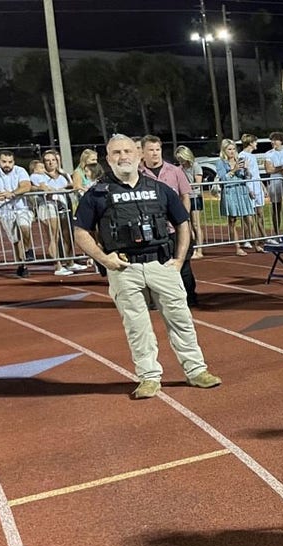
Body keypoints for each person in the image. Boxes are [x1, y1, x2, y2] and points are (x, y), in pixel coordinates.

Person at [71, 134, 221, 399]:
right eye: (116, 153)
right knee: (137, 328)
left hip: (161, 265)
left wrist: (179, 259)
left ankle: (196, 371)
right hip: (124, 270)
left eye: (128, 151)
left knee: (181, 321)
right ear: (108, 159)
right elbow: (81, 232)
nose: (123, 157)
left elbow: (183, 223)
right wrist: (105, 260)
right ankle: (149, 377)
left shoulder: (159, 188)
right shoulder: (97, 193)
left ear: (138, 155)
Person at [140, 136, 198, 307]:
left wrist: (184, 220)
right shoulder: (138, 174)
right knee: (154, 268)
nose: (155, 153)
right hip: (152, 231)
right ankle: (157, 300)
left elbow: (185, 196)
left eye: (157, 149)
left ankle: (190, 296)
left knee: (184, 265)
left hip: (176, 229)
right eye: (151, 150)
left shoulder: (175, 171)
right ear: (143, 152)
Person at [0, 150, 37, 277]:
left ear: (14, 162)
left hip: (22, 206)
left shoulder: (20, 170)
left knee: (25, 227)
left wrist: (12, 193)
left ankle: (28, 249)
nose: (7, 165)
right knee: (15, 240)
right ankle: (21, 265)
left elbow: (26, 186)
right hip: (5, 209)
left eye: (10, 162)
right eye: (4, 162)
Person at [215, 139, 259, 256]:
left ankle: (257, 244)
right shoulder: (220, 163)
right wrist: (234, 170)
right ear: (224, 150)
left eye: (234, 149)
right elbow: (223, 179)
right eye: (229, 149)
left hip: (242, 191)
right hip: (230, 192)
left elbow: (247, 177)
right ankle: (237, 247)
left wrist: (246, 169)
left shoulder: (240, 160)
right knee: (232, 220)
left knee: (249, 218)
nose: (232, 151)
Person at [174, 145, 205, 259]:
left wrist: (186, 187)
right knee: (188, 224)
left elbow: (198, 183)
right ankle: (192, 247)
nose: (180, 161)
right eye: (178, 159)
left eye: (181, 159)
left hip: (195, 197)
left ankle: (200, 249)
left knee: (196, 224)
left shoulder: (195, 166)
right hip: (184, 198)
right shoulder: (179, 169)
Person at [238, 133, 269, 240]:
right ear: (250, 143)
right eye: (255, 142)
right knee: (249, 215)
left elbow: (256, 174)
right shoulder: (242, 156)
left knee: (260, 213)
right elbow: (242, 174)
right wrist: (248, 189)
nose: (257, 144)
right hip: (249, 187)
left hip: (257, 186)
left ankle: (264, 236)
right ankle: (250, 238)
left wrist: (263, 186)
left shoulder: (252, 156)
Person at [264, 131, 283, 231]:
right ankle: (277, 231)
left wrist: (278, 169)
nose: (272, 142)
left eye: (275, 140)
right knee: (276, 207)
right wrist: (282, 167)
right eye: (272, 140)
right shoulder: (269, 153)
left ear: (281, 141)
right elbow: (269, 169)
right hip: (274, 182)